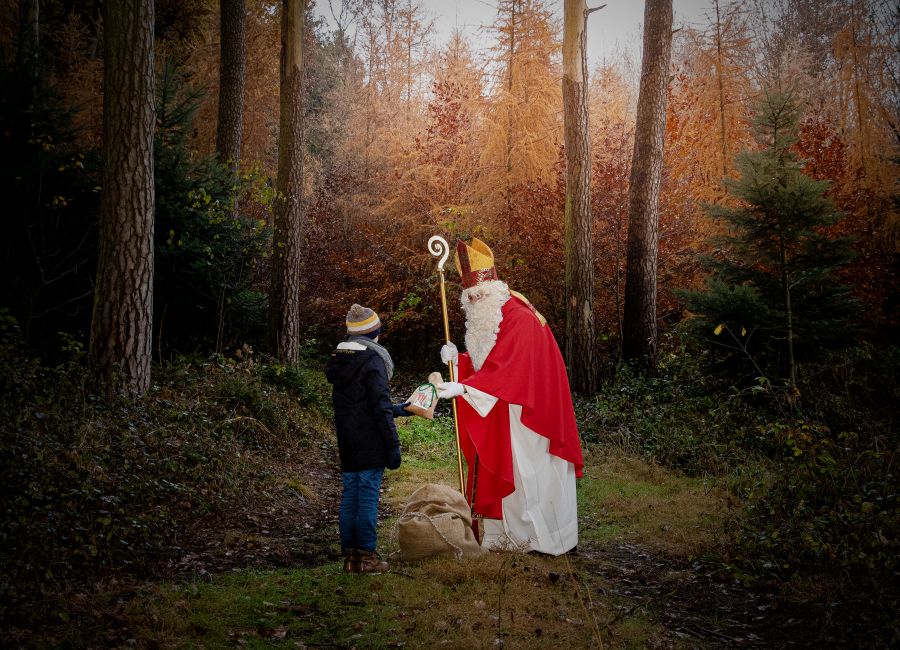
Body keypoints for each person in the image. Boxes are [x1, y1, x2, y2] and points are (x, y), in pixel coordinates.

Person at [436, 239, 584, 556]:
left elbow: (509, 369)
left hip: (532, 413)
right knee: (514, 473)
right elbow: (491, 360)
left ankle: (539, 540)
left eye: (478, 295)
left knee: (529, 475)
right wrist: (459, 361)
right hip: (509, 404)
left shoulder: (519, 317)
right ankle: (504, 537)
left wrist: (463, 387)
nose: (474, 301)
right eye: (469, 297)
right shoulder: (495, 315)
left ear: (493, 288)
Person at [326, 303, 409, 574]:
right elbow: (378, 408)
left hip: (348, 439)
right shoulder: (374, 361)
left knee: (351, 494)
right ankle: (367, 557)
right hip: (371, 440)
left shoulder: (341, 357)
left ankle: (351, 558)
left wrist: (401, 409)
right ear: (375, 331)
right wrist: (393, 445)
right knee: (368, 496)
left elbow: (359, 403)